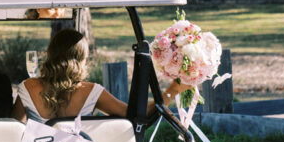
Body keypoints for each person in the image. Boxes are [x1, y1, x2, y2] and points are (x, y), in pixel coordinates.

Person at [11, 27, 189, 123]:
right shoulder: (92, 92)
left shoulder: (28, 87)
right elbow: (138, 115)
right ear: (81, 60)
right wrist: (173, 90)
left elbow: (14, 129)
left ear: (50, 54)